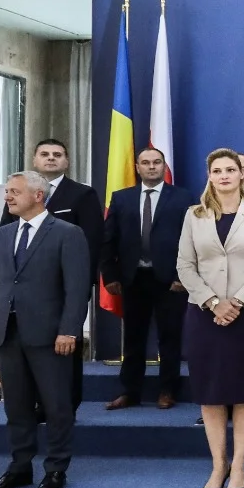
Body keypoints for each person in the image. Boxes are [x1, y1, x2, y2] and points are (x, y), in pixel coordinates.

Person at [0, 171, 92, 488]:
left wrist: (69, 330)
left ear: (38, 195)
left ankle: (56, 469)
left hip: (51, 337)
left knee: (56, 407)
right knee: (16, 406)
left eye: (14, 191)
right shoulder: (0, 235)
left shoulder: (68, 233)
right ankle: (20, 468)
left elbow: (77, 289)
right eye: (7, 191)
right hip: (7, 335)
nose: (7, 197)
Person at [177, 148, 244, 488]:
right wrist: (212, 301)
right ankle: (218, 465)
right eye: (217, 171)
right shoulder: (194, 215)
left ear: (242, 175)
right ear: (209, 176)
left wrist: (235, 302)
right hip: (204, 315)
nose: (224, 176)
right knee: (210, 392)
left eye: (230, 170)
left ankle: (239, 467)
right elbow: (185, 265)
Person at [0, 139, 102, 410]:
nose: (51, 158)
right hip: (23, 289)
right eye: (44, 154)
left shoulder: (82, 194)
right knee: (26, 349)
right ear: (34, 160)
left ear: (66, 161)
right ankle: (33, 405)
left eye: (57, 154)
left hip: (65, 287)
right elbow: (4, 238)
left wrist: (84, 284)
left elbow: (92, 242)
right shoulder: (17, 194)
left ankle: (65, 407)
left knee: (65, 347)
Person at [101, 147, 195, 409]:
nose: (151, 166)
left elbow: (192, 240)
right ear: (137, 167)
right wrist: (110, 275)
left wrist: (183, 276)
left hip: (171, 280)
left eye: (156, 162)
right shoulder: (121, 198)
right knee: (133, 338)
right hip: (133, 279)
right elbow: (108, 239)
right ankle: (130, 392)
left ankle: (168, 390)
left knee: (170, 337)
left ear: (164, 166)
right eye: (146, 162)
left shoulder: (183, 197)